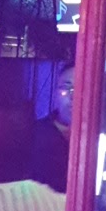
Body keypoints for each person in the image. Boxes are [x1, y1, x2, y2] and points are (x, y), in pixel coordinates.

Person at [31, 63, 73, 193]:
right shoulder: (32, 134)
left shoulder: (102, 137)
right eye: (67, 88)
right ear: (55, 94)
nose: (73, 97)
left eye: (82, 89)